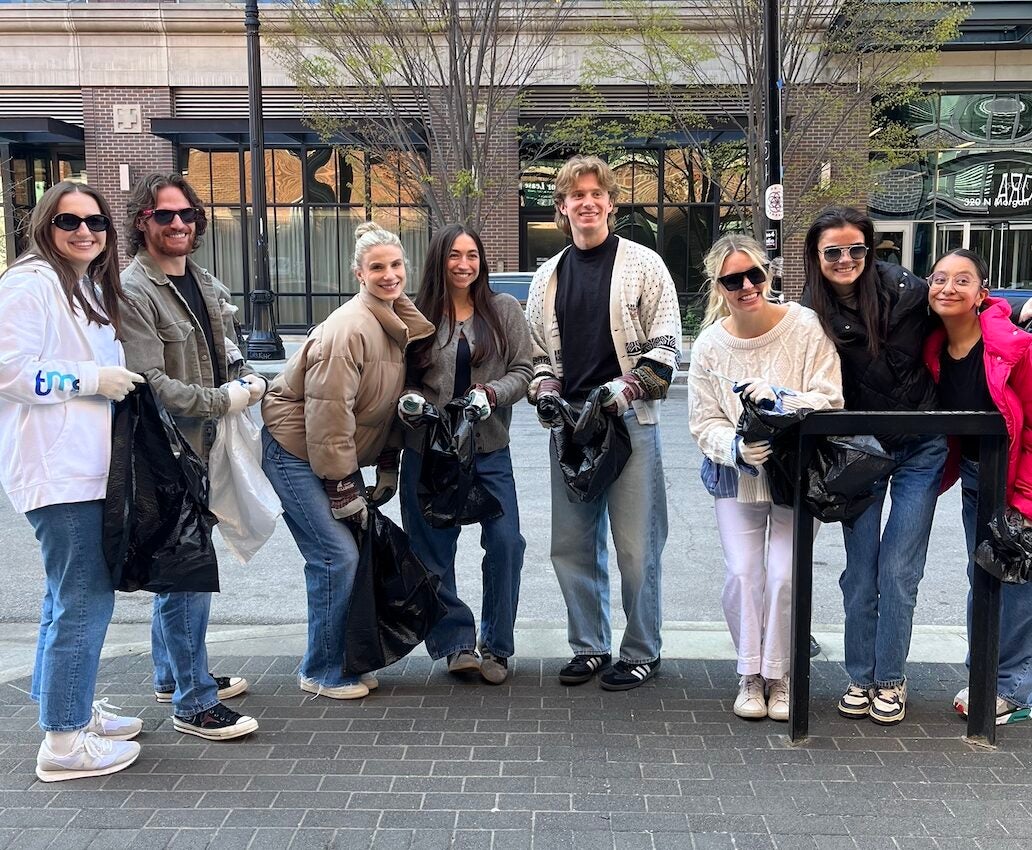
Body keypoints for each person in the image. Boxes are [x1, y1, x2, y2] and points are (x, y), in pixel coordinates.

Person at [0, 181, 146, 780]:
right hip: (57, 472)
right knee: (85, 599)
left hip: (81, 468)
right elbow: (9, 370)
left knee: (67, 598)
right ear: (44, 225)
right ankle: (63, 742)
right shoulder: (29, 283)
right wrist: (91, 379)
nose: (85, 232)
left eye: (96, 222)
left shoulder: (79, 284)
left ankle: (69, 710)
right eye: (69, 221)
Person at [525, 154, 681, 691]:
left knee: (637, 545)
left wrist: (627, 388)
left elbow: (666, 346)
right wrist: (545, 388)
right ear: (563, 207)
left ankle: (641, 650)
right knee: (570, 544)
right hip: (570, 426)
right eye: (576, 195)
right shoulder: (546, 277)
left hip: (630, 422)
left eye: (596, 194)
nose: (586, 203)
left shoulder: (643, 264)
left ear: (611, 203)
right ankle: (589, 646)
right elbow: (539, 353)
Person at [261, 222, 434, 699]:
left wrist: (386, 465)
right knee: (335, 557)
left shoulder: (394, 322)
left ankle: (337, 659)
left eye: (395, 265)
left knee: (342, 557)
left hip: (327, 456)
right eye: (377, 267)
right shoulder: (349, 329)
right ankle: (322, 670)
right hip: (294, 450)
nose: (389, 274)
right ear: (359, 273)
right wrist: (342, 487)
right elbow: (328, 415)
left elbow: (386, 407)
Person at [119, 173, 261, 741]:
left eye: (186, 214)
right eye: (163, 216)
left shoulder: (201, 280)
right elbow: (149, 382)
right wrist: (221, 399)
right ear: (141, 222)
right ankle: (194, 702)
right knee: (188, 573)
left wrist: (243, 375)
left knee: (180, 567)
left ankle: (173, 675)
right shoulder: (135, 289)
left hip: (205, 447)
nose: (178, 224)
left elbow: (224, 347)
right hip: (168, 451)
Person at [688, 235, 843, 721]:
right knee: (742, 574)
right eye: (733, 280)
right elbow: (703, 420)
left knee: (783, 576)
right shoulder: (711, 344)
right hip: (738, 479)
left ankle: (782, 674)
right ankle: (750, 672)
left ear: (769, 273)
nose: (747, 286)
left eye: (755, 274)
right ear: (719, 286)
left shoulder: (803, 326)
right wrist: (734, 448)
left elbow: (829, 394)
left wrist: (779, 397)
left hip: (795, 475)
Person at [801, 205, 945, 726]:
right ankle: (859, 676)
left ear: (870, 248)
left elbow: (965, 317)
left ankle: (891, 679)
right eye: (832, 251)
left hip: (919, 447)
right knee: (860, 573)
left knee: (898, 569)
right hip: (858, 449)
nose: (845, 259)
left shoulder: (908, 293)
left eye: (855, 248)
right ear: (816, 258)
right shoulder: (808, 312)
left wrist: (1002, 312)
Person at [398, 225, 532, 684]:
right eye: (455, 255)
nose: (464, 264)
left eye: (472, 255)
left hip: (488, 448)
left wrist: (492, 394)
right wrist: (409, 399)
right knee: (432, 550)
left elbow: (524, 370)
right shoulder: (414, 314)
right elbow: (402, 376)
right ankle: (456, 643)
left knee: (507, 543)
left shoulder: (504, 309)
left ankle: (497, 646)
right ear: (440, 259)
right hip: (428, 451)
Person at [923, 248, 1032, 726]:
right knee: (985, 575)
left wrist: (1025, 498)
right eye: (939, 278)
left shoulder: (1014, 349)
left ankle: (1010, 687)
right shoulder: (933, 347)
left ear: (982, 294)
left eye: (962, 280)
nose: (948, 287)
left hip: (1017, 476)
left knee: (1016, 579)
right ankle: (986, 674)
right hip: (975, 474)